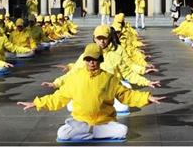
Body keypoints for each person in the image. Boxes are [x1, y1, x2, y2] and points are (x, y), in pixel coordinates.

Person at [17, 43, 166, 140]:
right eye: (88, 59)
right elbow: (59, 97)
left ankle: (89, 132)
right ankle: (88, 130)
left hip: (104, 122)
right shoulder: (75, 76)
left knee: (123, 130)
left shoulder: (109, 78)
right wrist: (36, 102)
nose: (91, 63)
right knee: (61, 133)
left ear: (100, 60)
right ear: (85, 60)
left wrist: (147, 97)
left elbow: (126, 94)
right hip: (82, 120)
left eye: (94, 59)